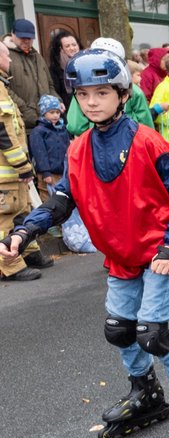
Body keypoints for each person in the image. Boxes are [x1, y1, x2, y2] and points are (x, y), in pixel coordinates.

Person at [0, 49, 169, 438]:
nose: (92, 101)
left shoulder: (148, 141)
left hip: (157, 251)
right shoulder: (78, 149)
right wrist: (23, 232)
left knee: (152, 331)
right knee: (120, 329)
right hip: (120, 253)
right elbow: (61, 201)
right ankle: (145, 391)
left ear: (121, 93)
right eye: (83, 95)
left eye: (102, 92)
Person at [0, 42, 52, 281]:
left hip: (11, 170)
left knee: (23, 210)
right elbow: (3, 132)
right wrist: (22, 165)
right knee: (5, 217)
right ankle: (8, 265)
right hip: (6, 169)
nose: (10, 61)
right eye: (5, 56)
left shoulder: (3, 86)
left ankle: (27, 251)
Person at [67, 37, 155, 136]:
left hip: (93, 143)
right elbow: (147, 125)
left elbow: (76, 126)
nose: (91, 102)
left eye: (102, 93)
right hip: (130, 138)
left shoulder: (83, 89)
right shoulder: (134, 90)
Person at [7, 19, 57, 131]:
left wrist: (57, 102)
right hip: (22, 125)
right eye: (22, 38)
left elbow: (50, 85)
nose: (26, 41)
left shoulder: (38, 57)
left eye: (29, 38)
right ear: (12, 34)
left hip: (46, 123)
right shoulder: (5, 56)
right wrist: (25, 110)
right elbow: (4, 89)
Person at [28, 95, 70, 204]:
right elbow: (39, 154)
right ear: (43, 112)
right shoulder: (38, 131)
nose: (56, 115)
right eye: (51, 112)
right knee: (48, 200)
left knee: (63, 200)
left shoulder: (62, 129)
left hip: (63, 172)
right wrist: (46, 173)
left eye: (57, 112)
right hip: (48, 173)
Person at [48, 30, 81, 115]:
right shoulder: (54, 70)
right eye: (67, 46)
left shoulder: (85, 64)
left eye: (74, 45)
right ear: (60, 49)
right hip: (68, 113)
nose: (72, 48)